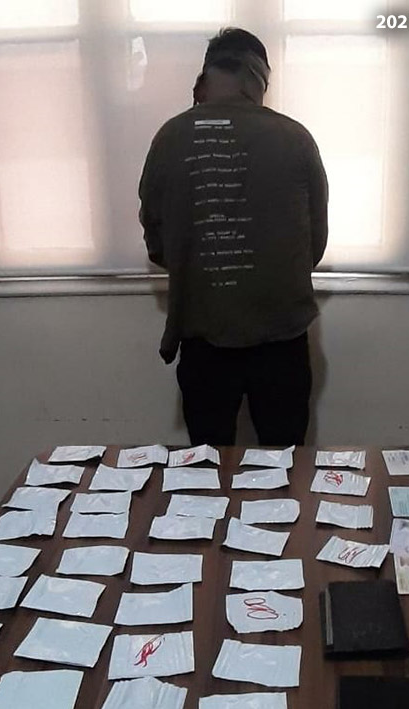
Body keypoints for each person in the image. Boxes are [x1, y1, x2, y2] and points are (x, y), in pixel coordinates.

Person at [138, 28, 328, 446]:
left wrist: (209, 269)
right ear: (259, 80)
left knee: (206, 467)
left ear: (205, 77)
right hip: (281, 336)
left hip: (203, 334)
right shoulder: (296, 139)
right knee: (285, 463)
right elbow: (314, 247)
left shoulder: (171, 138)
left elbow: (157, 243)